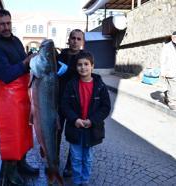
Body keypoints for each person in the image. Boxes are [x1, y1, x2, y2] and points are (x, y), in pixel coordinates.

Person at [0, 9, 38, 185]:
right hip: (8, 98)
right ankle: (11, 172)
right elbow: (6, 74)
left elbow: (25, 62)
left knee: (24, 132)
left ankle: (22, 163)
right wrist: (25, 62)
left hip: (23, 94)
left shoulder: (15, 40)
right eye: (2, 24)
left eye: (8, 23)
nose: (6, 27)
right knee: (12, 136)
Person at [61, 52, 111, 186]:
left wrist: (92, 121)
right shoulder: (71, 85)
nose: (83, 67)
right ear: (76, 67)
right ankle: (77, 181)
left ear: (92, 66)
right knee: (76, 157)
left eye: (86, 64)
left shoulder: (100, 86)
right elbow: (65, 105)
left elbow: (105, 107)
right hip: (75, 127)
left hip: (91, 128)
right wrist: (74, 119)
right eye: (79, 65)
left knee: (87, 158)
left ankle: (85, 180)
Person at [57, 29, 85, 177]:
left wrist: (69, 71)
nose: (75, 41)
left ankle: (69, 165)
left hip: (76, 103)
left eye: (78, 39)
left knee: (73, 136)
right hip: (58, 101)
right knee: (56, 132)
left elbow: (84, 74)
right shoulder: (60, 55)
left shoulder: (84, 58)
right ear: (69, 39)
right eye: (73, 38)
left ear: (82, 42)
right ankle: (53, 161)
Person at [160, 31, 176, 110]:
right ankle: (171, 102)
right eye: (175, 37)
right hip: (171, 70)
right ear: (172, 37)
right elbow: (162, 59)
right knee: (173, 87)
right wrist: (163, 71)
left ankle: (167, 95)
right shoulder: (167, 46)